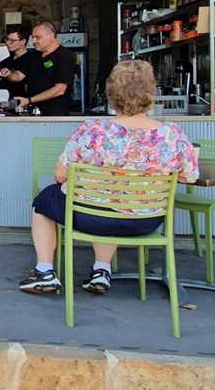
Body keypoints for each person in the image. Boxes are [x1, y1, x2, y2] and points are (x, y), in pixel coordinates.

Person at [19, 60, 199, 294]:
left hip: (90, 216)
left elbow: (60, 175)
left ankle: (45, 272)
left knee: (45, 201)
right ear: (150, 92)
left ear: (111, 93)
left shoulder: (93, 131)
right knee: (114, 200)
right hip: (145, 220)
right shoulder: (172, 134)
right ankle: (101, 271)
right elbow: (189, 176)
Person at [15, 21, 76, 116]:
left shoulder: (64, 55)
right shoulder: (34, 56)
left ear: (51, 36)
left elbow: (60, 89)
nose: (34, 41)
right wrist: (7, 73)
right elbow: (19, 76)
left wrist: (29, 100)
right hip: (34, 112)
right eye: (33, 37)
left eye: (38, 37)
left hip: (54, 113)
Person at [0, 26, 39, 100]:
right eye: (7, 39)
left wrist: (9, 74)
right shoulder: (4, 61)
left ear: (23, 41)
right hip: (6, 101)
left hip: (24, 102)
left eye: (12, 40)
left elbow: (17, 77)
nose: (7, 43)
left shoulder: (32, 58)